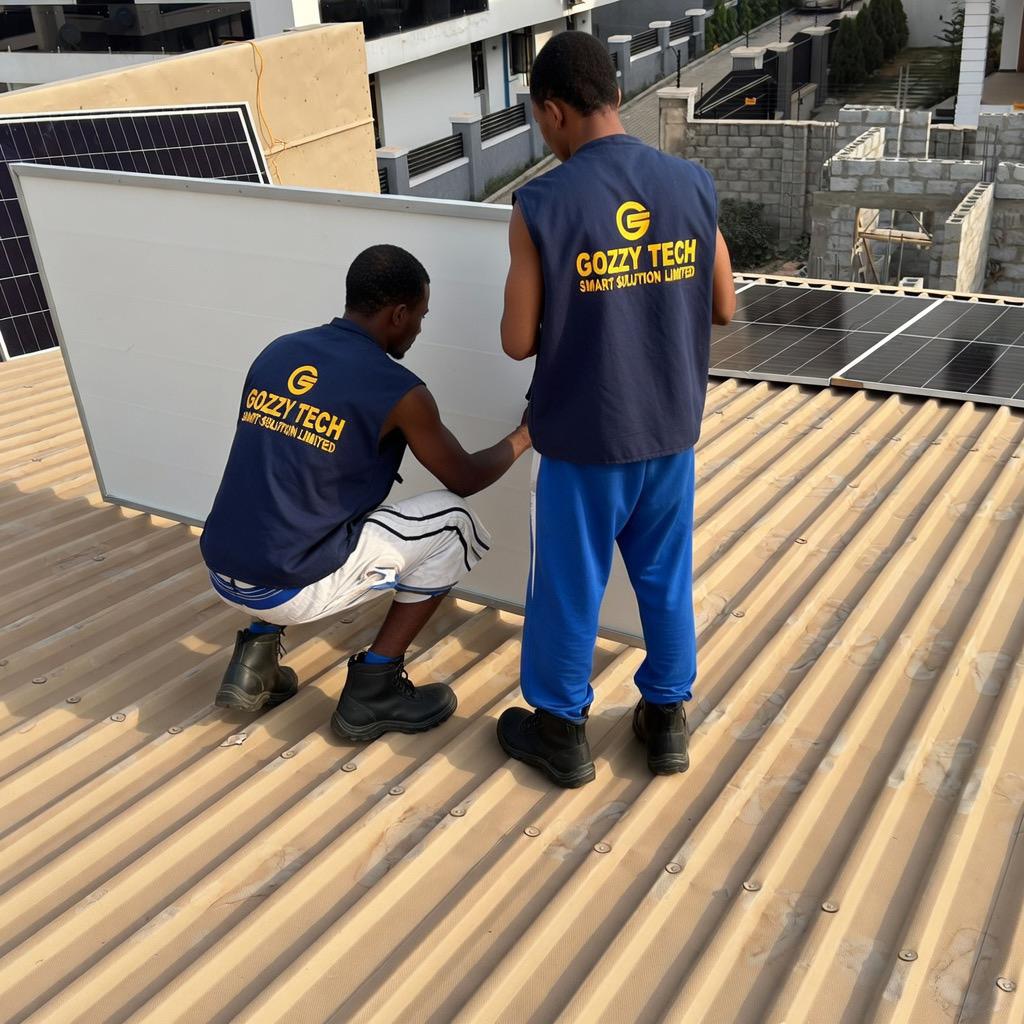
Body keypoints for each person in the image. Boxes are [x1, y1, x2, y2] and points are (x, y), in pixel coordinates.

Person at [496, 31, 736, 788]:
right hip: (668, 433)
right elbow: (725, 305)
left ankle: (562, 731)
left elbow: (513, 341)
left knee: (571, 582)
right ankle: (665, 721)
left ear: (555, 110)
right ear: (617, 95)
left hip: (583, 438)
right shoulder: (690, 183)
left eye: (541, 121)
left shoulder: (540, 203)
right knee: (665, 576)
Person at [200, 244, 531, 741]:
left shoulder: (280, 350)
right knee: (452, 523)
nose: (420, 328)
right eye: (420, 316)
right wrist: (527, 433)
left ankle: (256, 657)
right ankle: (374, 688)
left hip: (223, 569)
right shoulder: (399, 390)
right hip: (285, 586)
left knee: (287, 490)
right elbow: (463, 477)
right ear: (398, 313)